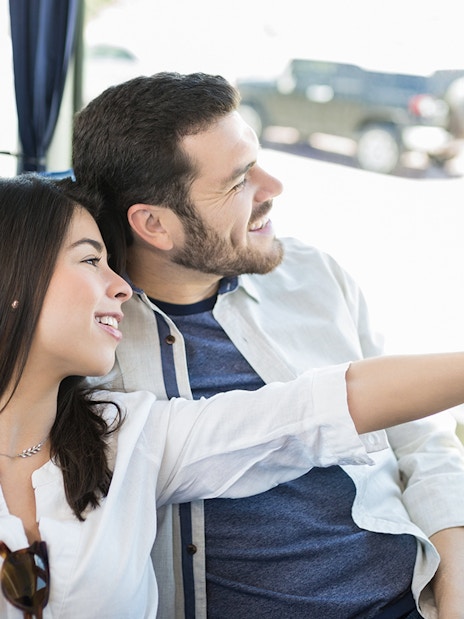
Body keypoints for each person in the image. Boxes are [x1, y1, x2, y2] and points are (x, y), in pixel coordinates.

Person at [68, 72, 464, 619]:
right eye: (238, 182)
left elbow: (420, 441)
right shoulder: (86, 345)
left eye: (259, 160)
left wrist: (454, 586)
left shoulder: (313, 274)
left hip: (413, 594)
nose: (273, 186)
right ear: (154, 224)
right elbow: (311, 413)